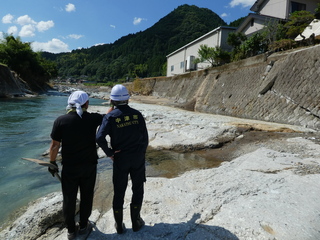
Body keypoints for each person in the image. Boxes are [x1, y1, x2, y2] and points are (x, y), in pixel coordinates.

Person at [48, 90, 104, 240]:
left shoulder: (61, 120)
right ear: (86, 103)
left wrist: (52, 163)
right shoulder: (93, 119)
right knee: (87, 196)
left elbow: (54, 146)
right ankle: (84, 226)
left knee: (69, 198)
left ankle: (71, 231)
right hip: (89, 166)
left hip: (70, 168)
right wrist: (114, 102)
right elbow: (109, 116)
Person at [96, 84, 148, 234]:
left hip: (120, 158)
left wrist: (110, 153)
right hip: (137, 157)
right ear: (127, 99)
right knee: (138, 189)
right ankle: (136, 222)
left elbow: (99, 137)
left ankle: (119, 226)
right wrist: (141, 153)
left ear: (112, 101)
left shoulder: (110, 116)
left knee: (119, 191)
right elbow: (144, 138)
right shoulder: (137, 114)